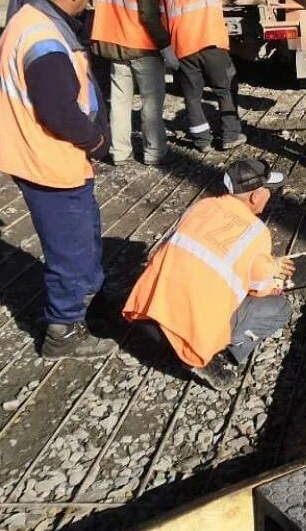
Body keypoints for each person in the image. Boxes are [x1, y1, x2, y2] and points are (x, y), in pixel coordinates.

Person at [0, 0, 114, 360]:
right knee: (70, 247)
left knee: (83, 234)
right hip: (49, 160)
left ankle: (90, 301)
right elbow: (59, 112)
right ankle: (62, 330)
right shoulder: (43, 41)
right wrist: (95, 141)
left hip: (43, 155)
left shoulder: (30, 19)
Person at [123, 158, 294, 388]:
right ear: (256, 196)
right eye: (268, 191)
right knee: (279, 308)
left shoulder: (200, 207)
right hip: (187, 332)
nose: (270, 195)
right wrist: (271, 270)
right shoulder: (257, 233)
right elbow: (261, 289)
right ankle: (210, 356)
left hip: (148, 312)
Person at [161, 0, 258, 151]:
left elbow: (163, 21)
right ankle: (230, 135)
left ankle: (201, 140)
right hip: (210, 41)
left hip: (183, 47)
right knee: (225, 88)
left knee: (192, 95)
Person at [91, 0, 175, 166]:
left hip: (115, 47)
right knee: (151, 103)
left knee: (118, 103)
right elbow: (149, 16)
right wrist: (166, 47)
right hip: (142, 49)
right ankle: (154, 152)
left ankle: (118, 152)